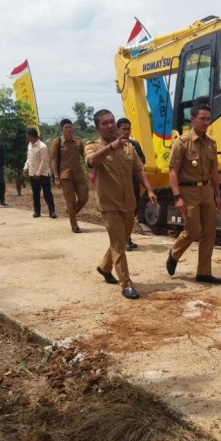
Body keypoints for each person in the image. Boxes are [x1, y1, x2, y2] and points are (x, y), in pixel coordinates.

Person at [85, 109, 157, 300]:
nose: (110, 126)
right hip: (109, 204)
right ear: (98, 127)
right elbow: (91, 161)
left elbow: (139, 171)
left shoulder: (128, 147)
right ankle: (126, 284)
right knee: (120, 243)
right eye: (105, 123)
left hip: (129, 203)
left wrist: (149, 190)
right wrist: (110, 148)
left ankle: (104, 267)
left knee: (121, 239)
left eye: (112, 122)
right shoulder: (92, 147)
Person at [166, 103, 221, 284]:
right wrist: (177, 197)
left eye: (208, 119)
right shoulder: (181, 142)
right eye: (202, 118)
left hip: (206, 191)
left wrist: (218, 196)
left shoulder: (211, 143)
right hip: (188, 191)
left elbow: (214, 172)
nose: (206, 122)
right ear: (192, 119)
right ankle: (174, 253)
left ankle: (204, 272)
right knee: (192, 231)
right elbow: (173, 171)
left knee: (209, 232)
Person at [50, 119, 89, 233]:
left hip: (78, 174)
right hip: (65, 176)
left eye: (70, 127)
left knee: (84, 197)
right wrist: (56, 178)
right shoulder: (57, 143)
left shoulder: (78, 141)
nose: (68, 129)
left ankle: (71, 211)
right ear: (62, 129)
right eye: (66, 127)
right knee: (70, 201)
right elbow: (54, 161)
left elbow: (85, 155)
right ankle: (74, 225)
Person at [116, 117, 146, 250]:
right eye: (124, 129)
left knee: (133, 210)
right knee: (123, 211)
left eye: (128, 129)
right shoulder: (112, 145)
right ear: (118, 130)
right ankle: (125, 239)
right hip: (118, 184)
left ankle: (126, 237)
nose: (126, 132)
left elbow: (142, 160)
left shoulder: (135, 144)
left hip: (133, 182)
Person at [23, 128, 56, 219]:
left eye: (27, 136)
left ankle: (52, 211)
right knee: (35, 193)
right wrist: (26, 168)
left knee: (47, 193)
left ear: (31, 136)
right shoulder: (29, 145)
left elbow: (44, 161)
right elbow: (29, 159)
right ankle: (37, 211)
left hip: (43, 174)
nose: (27, 138)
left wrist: (38, 173)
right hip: (32, 173)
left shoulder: (42, 146)